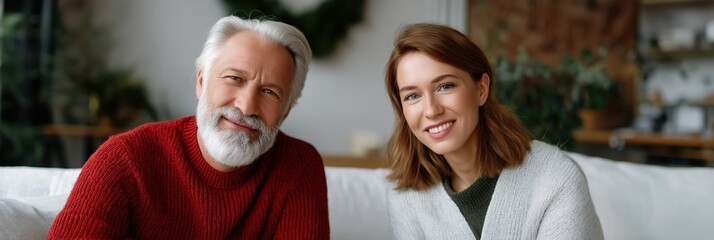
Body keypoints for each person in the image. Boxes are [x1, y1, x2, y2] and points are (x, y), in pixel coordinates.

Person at [48, 16, 329, 239]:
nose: (246, 107)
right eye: (234, 78)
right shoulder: (125, 158)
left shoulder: (299, 166)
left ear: (286, 112)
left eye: (270, 92)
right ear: (201, 82)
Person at [383, 23, 603, 240]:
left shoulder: (555, 177)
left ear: (481, 89)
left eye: (446, 86)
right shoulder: (407, 198)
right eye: (412, 96)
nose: (431, 110)